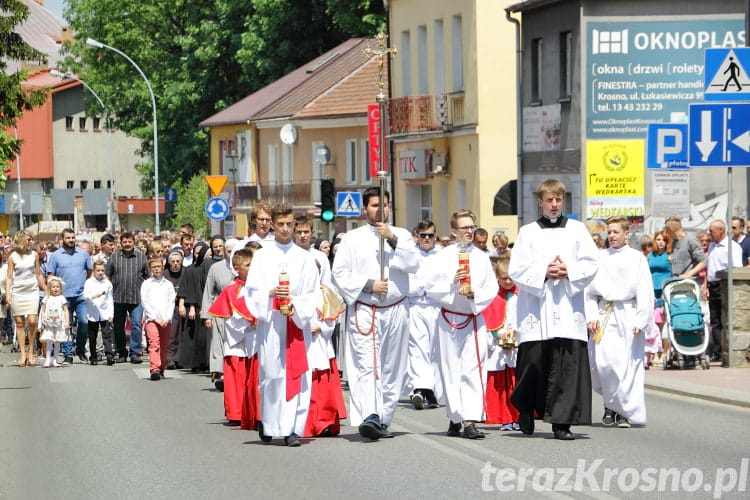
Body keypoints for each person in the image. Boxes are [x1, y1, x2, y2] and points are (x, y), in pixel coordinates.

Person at [508, 179, 599, 441]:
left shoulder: (578, 230)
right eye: (549, 200)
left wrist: (569, 270)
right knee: (533, 365)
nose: (554, 204)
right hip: (536, 309)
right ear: (540, 202)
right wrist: (544, 272)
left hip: (569, 309)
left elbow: (592, 262)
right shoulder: (527, 232)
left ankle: (562, 422)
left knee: (566, 366)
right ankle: (525, 408)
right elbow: (516, 270)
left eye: (558, 200)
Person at [331, 187, 420, 440]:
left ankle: (383, 417)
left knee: (392, 367)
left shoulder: (401, 235)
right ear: (364, 209)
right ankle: (369, 414)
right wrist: (369, 284)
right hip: (366, 309)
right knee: (367, 365)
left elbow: (414, 264)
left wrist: (392, 239)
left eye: (384, 205)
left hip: (396, 308)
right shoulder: (352, 238)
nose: (380, 210)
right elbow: (341, 274)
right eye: (374, 205)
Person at [244, 203, 319, 447]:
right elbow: (252, 290)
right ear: (272, 226)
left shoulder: (305, 258)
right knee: (272, 373)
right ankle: (269, 423)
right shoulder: (263, 256)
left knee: (297, 374)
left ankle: (292, 429)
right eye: (281, 225)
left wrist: (297, 306)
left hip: (297, 323)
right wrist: (270, 293)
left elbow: (312, 292)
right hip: (272, 323)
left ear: (295, 225)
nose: (285, 229)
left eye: (289, 224)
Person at [422, 210, 498, 439]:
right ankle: (455, 417)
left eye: (471, 227)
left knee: (473, 369)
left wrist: (476, 294)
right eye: (464, 228)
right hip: (448, 318)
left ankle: (471, 420)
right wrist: (451, 282)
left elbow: (492, 288)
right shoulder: (442, 256)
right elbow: (430, 287)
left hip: (472, 318)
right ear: (454, 231)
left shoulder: (482, 257)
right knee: (450, 370)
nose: (469, 231)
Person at [586, 216, 653, 429]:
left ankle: (622, 412)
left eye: (616, 232)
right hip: (605, 312)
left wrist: (642, 319)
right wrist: (592, 316)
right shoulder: (600, 257)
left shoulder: (637, 258)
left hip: (628, 314)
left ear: (627, 234)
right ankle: (610, 404)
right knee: (603, 363)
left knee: (626, 365)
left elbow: (645, 290)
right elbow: (588, 291)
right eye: (610, 232)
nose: (612, 236)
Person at [208, 248, 259, 427]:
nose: (251, 268)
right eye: (248, 265)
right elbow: (230, 319)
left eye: (253, 264)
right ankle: (236, 412)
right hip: (238, 340)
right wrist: (248, 324)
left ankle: (254, 412)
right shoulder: (231, 290)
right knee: (236, 380)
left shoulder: (259, 287)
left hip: (255, 340)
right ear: (237, 268)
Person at [405, 220, 442, 410]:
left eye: (430, 235)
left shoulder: (442, 255)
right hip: (416, 306)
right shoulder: (410, 256)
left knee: (435, 350)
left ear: (435, 236)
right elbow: (407, 283)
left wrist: (433, 288)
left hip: (436, 307)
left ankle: (432, 390)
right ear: (417, 237)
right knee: (417, 348)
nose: (427, 239)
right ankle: (419, 388)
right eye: (423, 236)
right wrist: (422, 287)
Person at [482, 256, 520, 431]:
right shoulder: (492, 296)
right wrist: (499, 335)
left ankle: (518, 415)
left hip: (517, 343)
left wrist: (515, 332)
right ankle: (501, 415)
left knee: (515, 379)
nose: (507, 281)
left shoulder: (520, 294)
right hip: (497, 345)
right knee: (498, 381)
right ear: (496, 277)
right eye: (503, 278)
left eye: (510, 277)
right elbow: (490, 321)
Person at [46, 228, 93, 365]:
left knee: (84, 322)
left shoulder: (83, 254)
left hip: (81, 295)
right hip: (63, 297)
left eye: (73, 237)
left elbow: (89, 272)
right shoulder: (55, 256)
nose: (71, 240)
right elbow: (50, 276)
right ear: (62, 239)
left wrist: (85, 286)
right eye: (68, 238)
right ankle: (67, 354)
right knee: (66, 326)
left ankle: (80, 349)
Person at [107, 232, 150, 364]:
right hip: (117, 298)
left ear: (133, 242)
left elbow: (147, 276)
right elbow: (108, 276)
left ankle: (135, 353)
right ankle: (121, 353)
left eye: (129, 242)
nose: (127, 244)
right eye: (124, 242)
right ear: (121, 243)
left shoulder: (141, 257)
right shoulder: (114, 257)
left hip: (136, 298)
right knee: (118, 327)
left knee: (136, 325)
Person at [5, 231, 46, 367]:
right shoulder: (13, 256)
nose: (31, 241)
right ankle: (23, 354)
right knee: (19, 322)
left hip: (32, 291)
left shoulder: (34, 255)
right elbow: (9, 277)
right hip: (17, 292)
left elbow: (38, 274)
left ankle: (31, 352)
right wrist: (8, 294)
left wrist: (46, 289)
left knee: (33, 321)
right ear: (22, 240)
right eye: (29, 239)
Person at [705, 219, 743, 363]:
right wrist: (705, 285)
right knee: (714, 320)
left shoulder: (732, 247)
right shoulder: (712, 246)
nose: (709, 233)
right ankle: (717, 352)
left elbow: (736, 268)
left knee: (726, 318)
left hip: (724, 285)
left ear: (721, 231)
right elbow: (709, 266)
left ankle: (727, 350)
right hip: (712, 285)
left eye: (712, 231)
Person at [201, 235, 234, 386]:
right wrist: (207, 315)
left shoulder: (247, 267)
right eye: (228, 251)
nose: (231, 253)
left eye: (234, 250)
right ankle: (220, 374)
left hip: (240, 311)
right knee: (218, 342)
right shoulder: (216, 268)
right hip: (220, 309)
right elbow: (209, 292)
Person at [141, 258, 177, 380]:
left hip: (165, 319)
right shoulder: (146, 284)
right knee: (154, 343)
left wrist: (167, 318)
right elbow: (145, 302)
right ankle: (154, 368)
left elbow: (171, 302)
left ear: (162, 267)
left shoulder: (168, 284)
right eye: (154, 267)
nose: (157, 269)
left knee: (164, 344)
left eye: (159, 266)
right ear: (151, 269)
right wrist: (154, 318)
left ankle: (161, 367)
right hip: (152, 319)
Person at [178, 242, 211, 372]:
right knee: (195, 337)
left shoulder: (208, 268)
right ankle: (195, 364)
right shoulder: (191, 269)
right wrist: (190, 306)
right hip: (196, 306)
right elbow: (189, 288)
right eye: (196, 253)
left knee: (204, 338)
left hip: (207, 305)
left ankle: (206, 363)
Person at [83, 260, 115, 365]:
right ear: (94, 271)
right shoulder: (89, 282)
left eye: (102, 270)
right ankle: (93, 356)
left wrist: (111, 314)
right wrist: (94, 295)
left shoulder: (107, 283)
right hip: (93, 313)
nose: (100, 272)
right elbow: (85, 296)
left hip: (105, 312)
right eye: (98, 270)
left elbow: (110, 299)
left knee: (106, 334)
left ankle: (109, 355)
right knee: (93, 336)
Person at [647, 231, 671, 366]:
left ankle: (665, 351)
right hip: (652, 289)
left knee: (663, 322)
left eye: (663, 240)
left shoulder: (669, 256)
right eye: (658, 239)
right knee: (654, 323)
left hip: (664, 290)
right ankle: (654, 351)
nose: (660, 242)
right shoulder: (650, 255)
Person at [39, 277, 69, 368]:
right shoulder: (47, 298)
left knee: (57, 343)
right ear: (49, 288)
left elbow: (66, 310)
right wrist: (42, 322)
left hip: (59, 324)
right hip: (49, 324)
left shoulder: (62, 298)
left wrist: (67, 322)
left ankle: (55, 359)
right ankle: (48, 359)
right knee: (49, 342)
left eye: (57, 287)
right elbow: (43, 310)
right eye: (53, 287)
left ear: (60, 288)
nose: (55, 289)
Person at [164, 250, 185, 370]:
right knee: (171, 333)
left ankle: (180, 358)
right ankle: (170, 358)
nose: (176, 264)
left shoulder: (186, 272)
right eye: (173, 262)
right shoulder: (165, 274)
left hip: (183, 306)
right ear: (169, 262)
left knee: (182, 333)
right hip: (169, 306)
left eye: (178, 261)